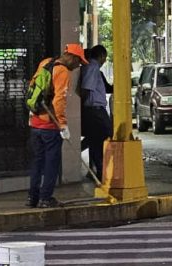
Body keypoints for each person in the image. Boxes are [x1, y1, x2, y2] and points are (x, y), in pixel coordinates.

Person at [25, 43, 88, 209]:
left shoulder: (45, 62)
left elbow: (33, 86)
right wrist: (63, 124)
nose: (77, 66)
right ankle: (45, 198)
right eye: (79, 62)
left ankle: (32, 197)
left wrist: (32, 113)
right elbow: (59, 100)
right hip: (50, 125)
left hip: (35, 122)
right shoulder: (63, 71)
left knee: (37, 162)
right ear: (72, 57)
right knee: (51, 163)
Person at [80, 45, 113, 181]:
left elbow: (105, 88)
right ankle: (100, 171)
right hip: (95, 111)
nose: (105, 60)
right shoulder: (92, 68)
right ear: (100, 56)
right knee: (103, 140)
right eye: (104, 57)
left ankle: (97, 171)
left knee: (95, 140)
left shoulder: (93, 69)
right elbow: (86, 89)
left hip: (94, 110)